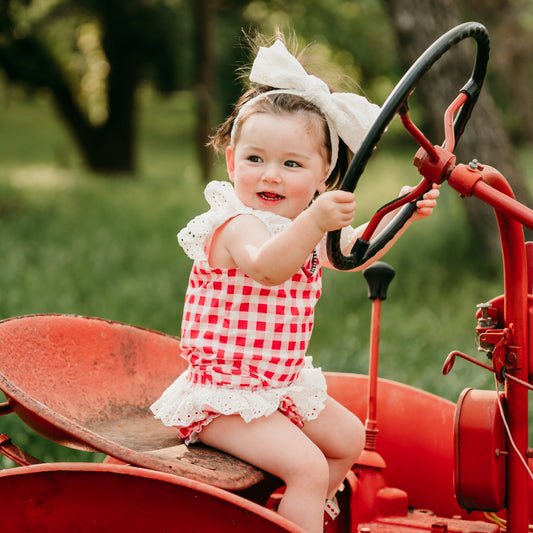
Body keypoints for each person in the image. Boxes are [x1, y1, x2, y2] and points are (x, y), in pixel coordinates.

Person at [151, 35, 439, 533]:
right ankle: (298, 509)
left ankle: (288, 516)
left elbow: (350, 256)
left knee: (349, 440)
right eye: (255, 159)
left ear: (324, 172)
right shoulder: (233, 223)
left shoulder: (304, 224)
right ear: (231, 161)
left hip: (277, 386)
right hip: (224, 395)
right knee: (306, 467)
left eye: (292, 164)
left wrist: (404, 212)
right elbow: (267, 267)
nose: (271, 176)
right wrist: (316, 223)